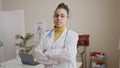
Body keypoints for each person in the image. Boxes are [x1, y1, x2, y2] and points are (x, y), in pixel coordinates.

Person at [35, 3, 78, 68]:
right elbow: (37, 55)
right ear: (53, 17)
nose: (58, 18)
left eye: (62, 16)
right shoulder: (45, 35)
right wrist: (56, 60)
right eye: (56, 15)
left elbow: (68, 55)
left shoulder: (73, 35)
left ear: (67, 18)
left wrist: (46, 52)